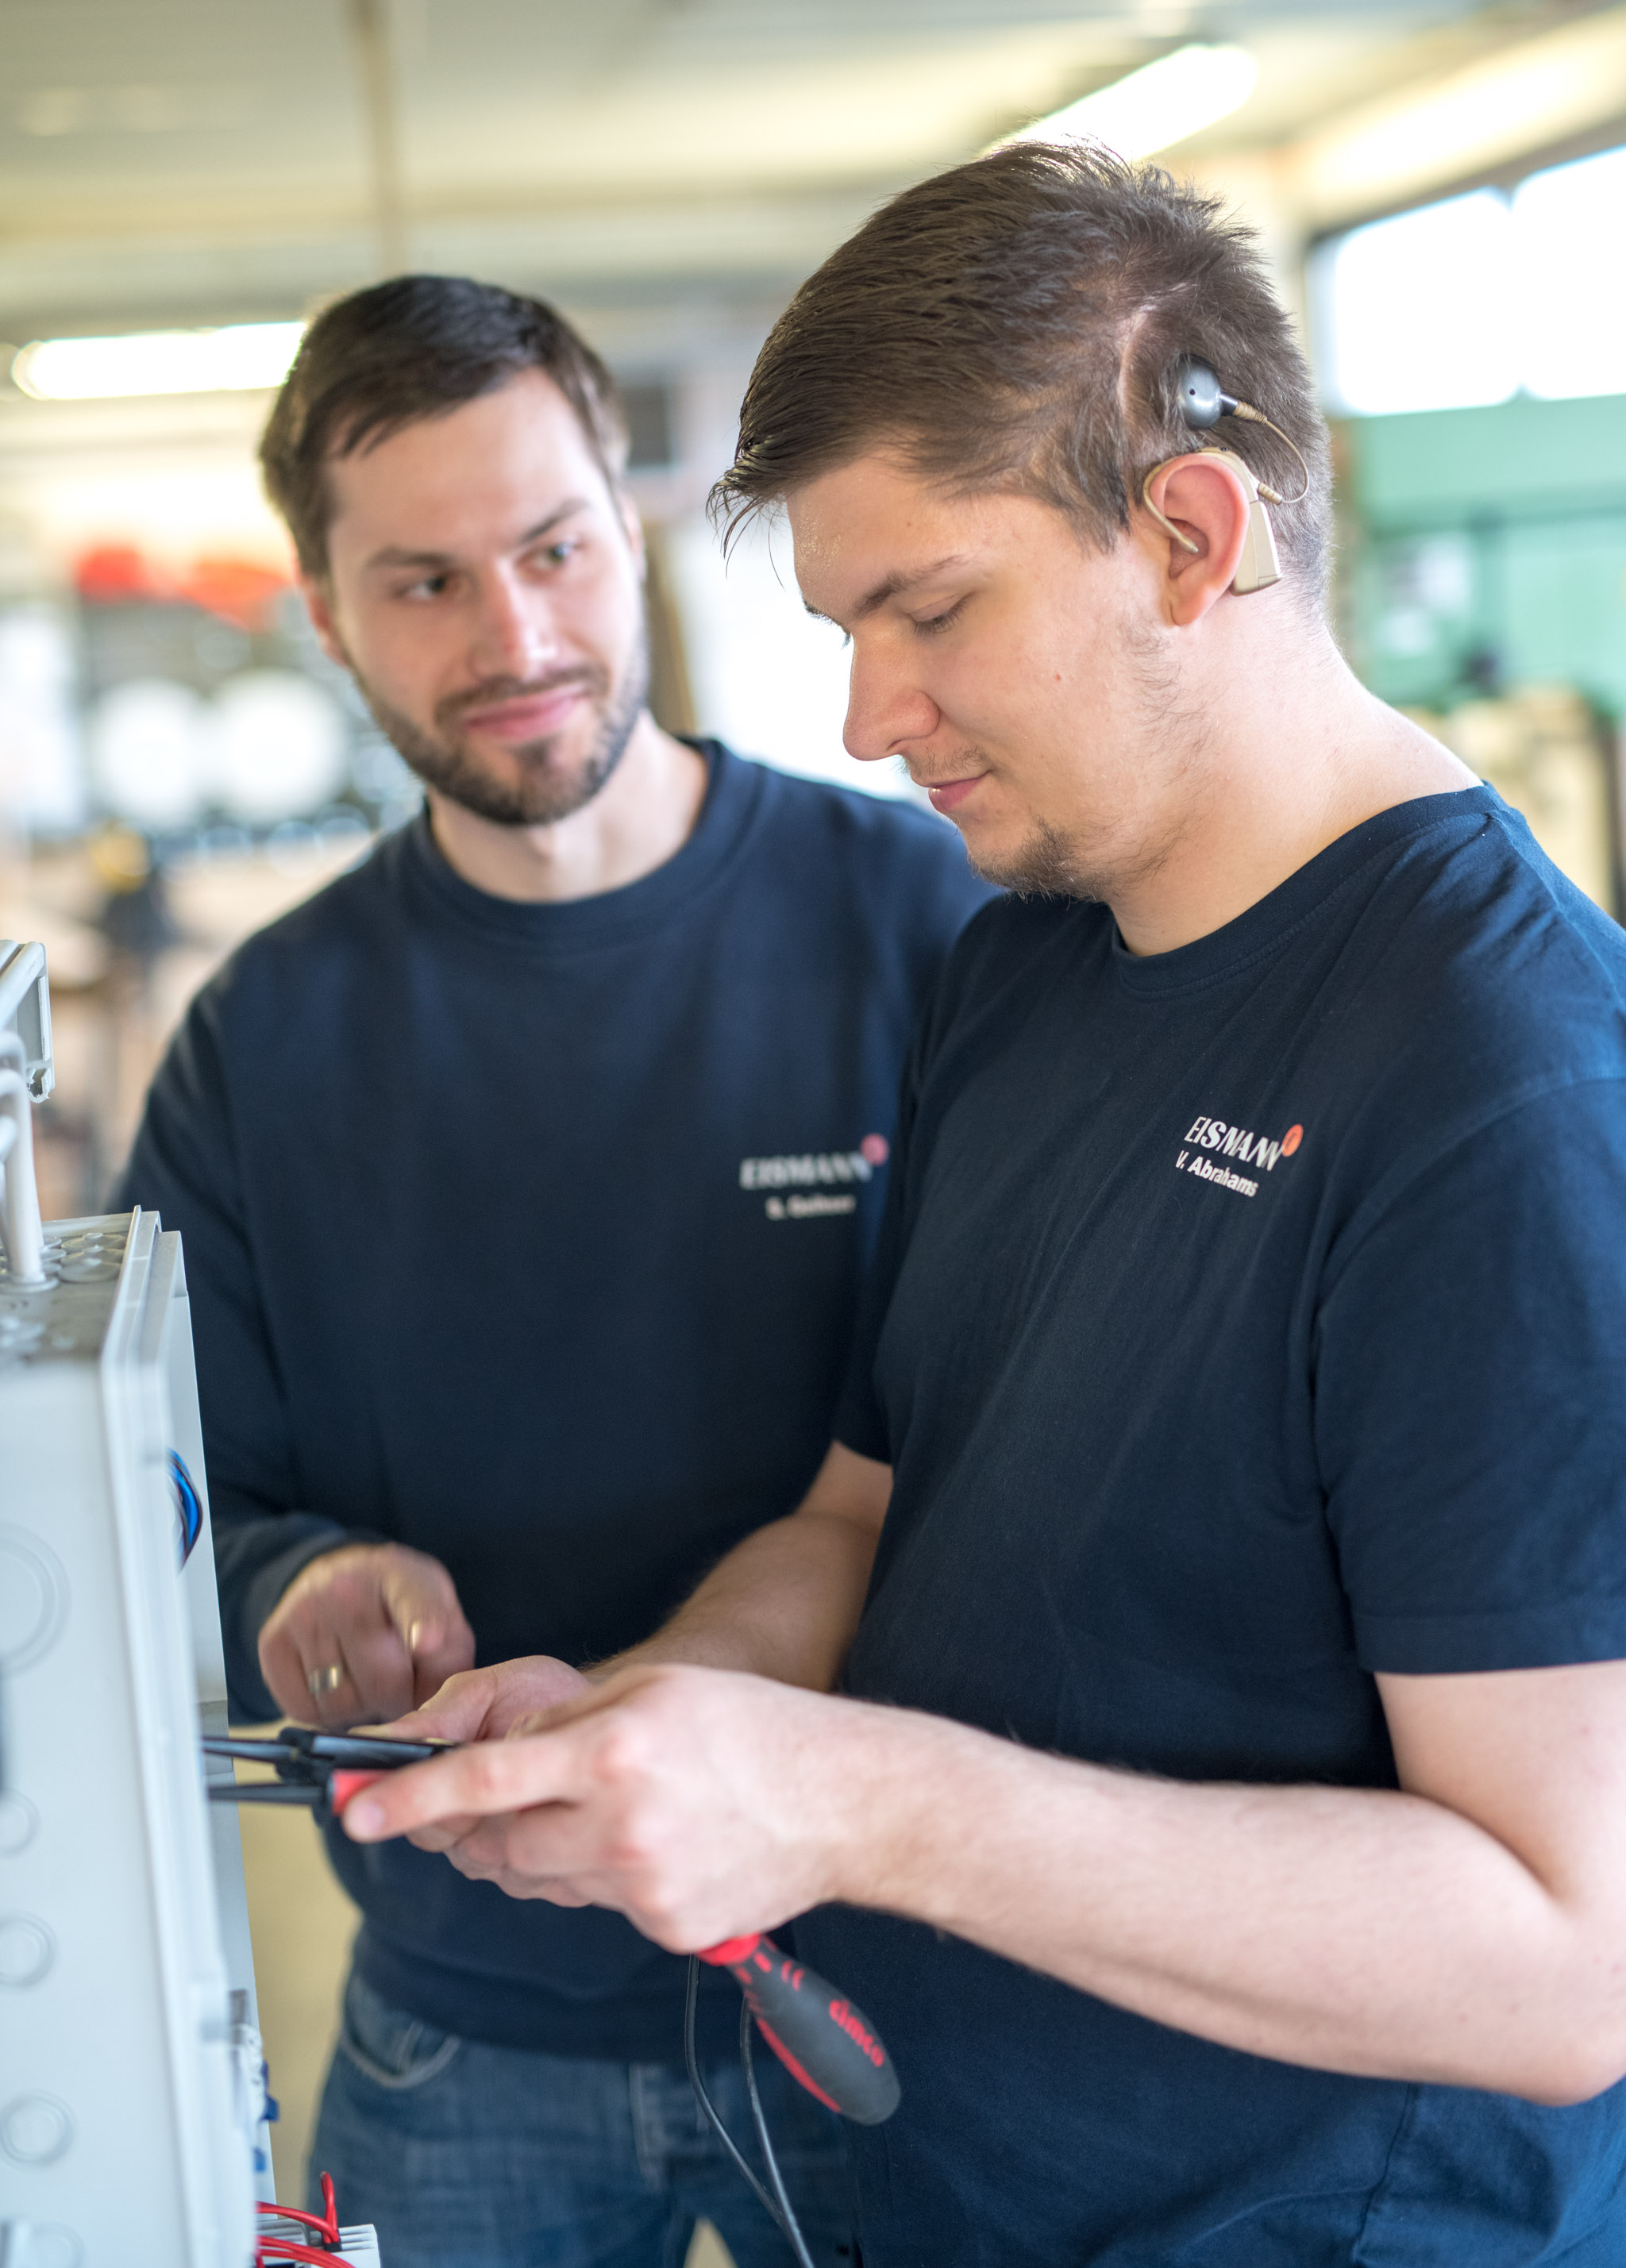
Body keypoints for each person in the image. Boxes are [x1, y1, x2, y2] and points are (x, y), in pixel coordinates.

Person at [347, 148, 1626, 2268]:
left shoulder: (1509, 1086)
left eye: (931, 610)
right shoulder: (1029, 951)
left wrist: (860, 1802)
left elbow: (1570, 1963)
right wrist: (658, 1721)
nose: (867, 717)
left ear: (1193, 536)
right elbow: (865, 1519)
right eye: (848, 630)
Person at [119, 273, 989, 2268]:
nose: (514, 639)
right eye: (422, 583)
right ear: (326, 619)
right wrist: (303, 1583)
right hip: (466, 2018)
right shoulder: (265, 1044)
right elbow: (189, 1496)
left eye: (551, 549)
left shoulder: (930, 931)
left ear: (631, 522)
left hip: (881, 1985)